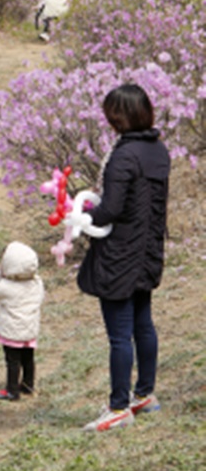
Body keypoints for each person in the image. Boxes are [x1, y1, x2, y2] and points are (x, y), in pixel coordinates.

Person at [78, 84, 170, 432]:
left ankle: (118, 407)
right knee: (143, 323)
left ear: (120, 116)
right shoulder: (158, 150)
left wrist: (84, 217)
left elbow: (111, 209)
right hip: (147, 251)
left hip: (120, 256)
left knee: (120, 334)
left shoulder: (124, 154)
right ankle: (143, 394)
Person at [0, 241, 45, 401]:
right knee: (28, 358)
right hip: (29, 330)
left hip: (12, 332)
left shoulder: (6, 287)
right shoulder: (36, 283)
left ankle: (12, 390)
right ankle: (27, 385)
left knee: (12, 361)